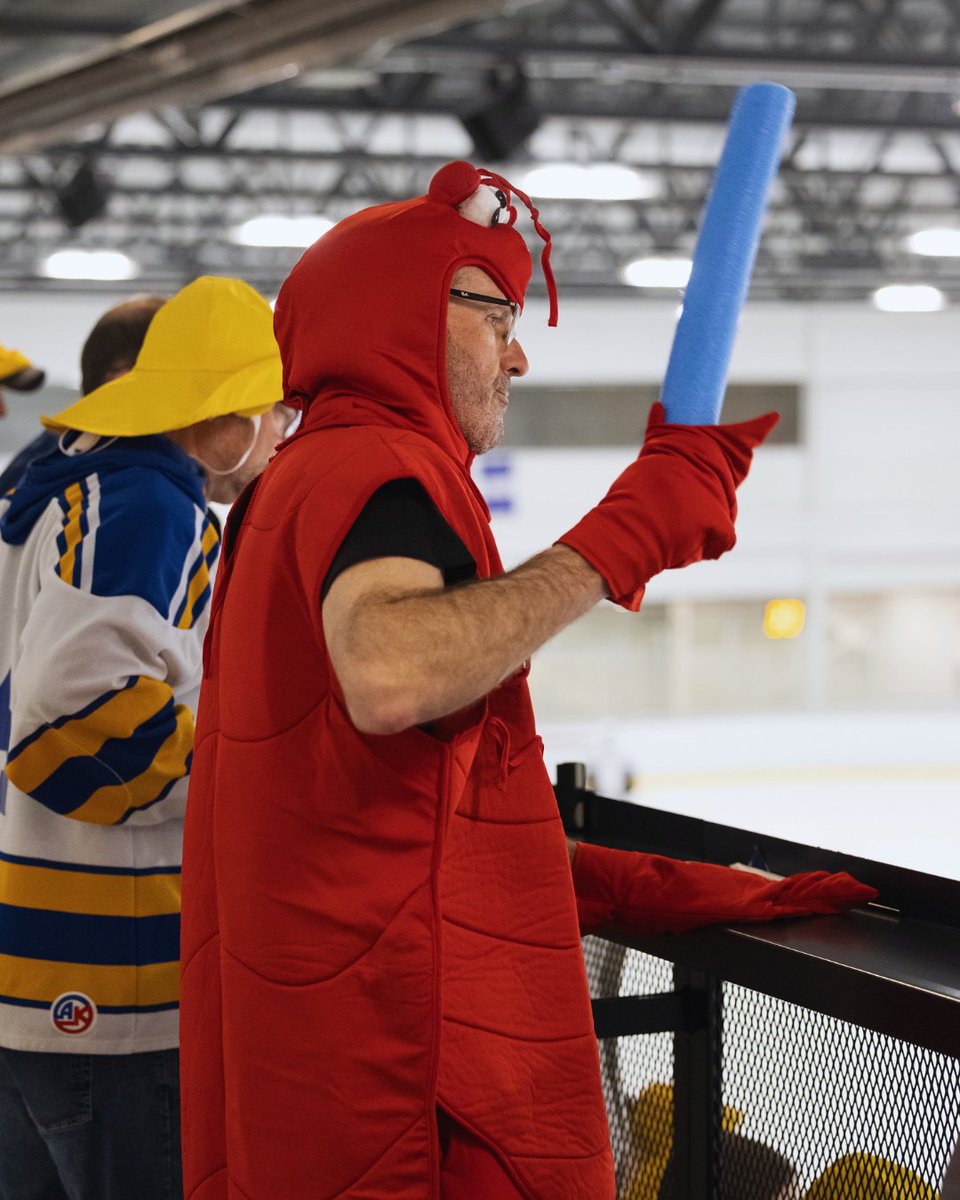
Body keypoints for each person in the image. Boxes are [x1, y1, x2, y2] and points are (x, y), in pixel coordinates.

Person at [179, 162, 876, 1200]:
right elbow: (391, 673)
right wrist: (619, 538)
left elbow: (362, 786)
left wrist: (608, 878)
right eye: (495, 314)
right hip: (408, 1095)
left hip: (319, 1072)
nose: (517, 355)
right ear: (402, 315)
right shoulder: (381, 468)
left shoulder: (291, 488)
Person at [0, 276, 289, 1200]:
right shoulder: (149, 502)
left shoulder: (45, 477)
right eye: (274, 407)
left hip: (29, 963)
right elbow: (69, 710)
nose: (285, 429)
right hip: (105, 976)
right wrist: (244, 778)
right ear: (218, 422)